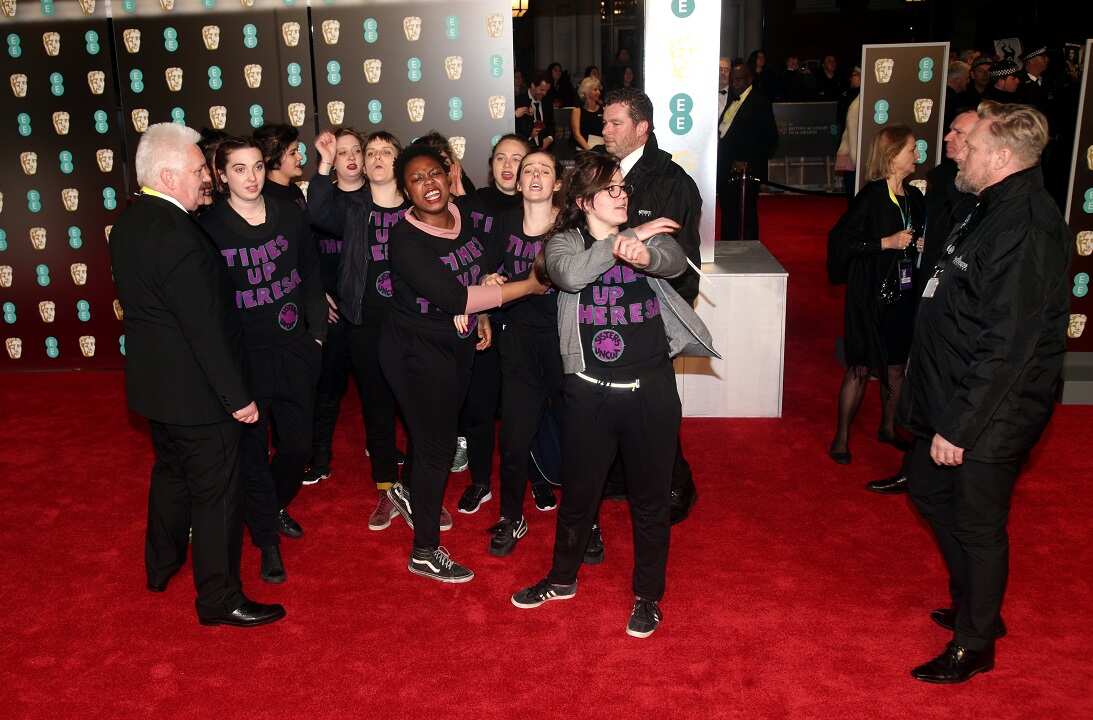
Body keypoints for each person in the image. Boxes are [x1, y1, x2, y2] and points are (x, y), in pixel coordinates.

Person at [510, 151, 717, 638]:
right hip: (589, 394)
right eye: (612, 188)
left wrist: (645, 252)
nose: (623, 195)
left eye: (624, 187)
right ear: (585, 201)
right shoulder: (565, 241)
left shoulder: (649, 234)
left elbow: (672, 261)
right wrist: (624, 241)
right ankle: (561, 579)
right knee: (580, 497)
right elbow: (569, 275)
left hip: (651, 391)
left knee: (651, 500)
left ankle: (648, 596)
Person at [904, 103, 1070, 684]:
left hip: (996, 405)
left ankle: (975, 642)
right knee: (927, 487)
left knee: (978, 522)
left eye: (971, 147)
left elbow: (1008, 344)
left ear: (1001, 156)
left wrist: (959, 427)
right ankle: (977, 601)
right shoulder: (990, 204)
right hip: (958, 389)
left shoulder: (1026, 225)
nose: (960, 154)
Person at [109, 122, 283, 627]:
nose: (205, 176)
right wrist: (237, 397)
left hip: (155, 389)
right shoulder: (179, 235)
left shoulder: (130, 220)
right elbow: (204, 329)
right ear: (167, 176)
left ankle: (160, 566)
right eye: (196, 169)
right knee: (215, 493)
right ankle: (219, 599)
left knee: (171, 475)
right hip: (198, 396)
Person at [381, 145, 549, 583]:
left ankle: (406, 492)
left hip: (455, 345)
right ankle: (424, 551)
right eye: (416, 179)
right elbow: (456, 296)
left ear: (449, 174)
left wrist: (483, 315)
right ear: (405, 190)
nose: (428, 184)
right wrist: (528, 286)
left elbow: (475, 274)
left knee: (428, 434)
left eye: (434, 174)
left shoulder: (461, 217)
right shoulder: (405, 238)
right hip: (415, 352)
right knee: (436, 447)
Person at [200, 137, 325, 584]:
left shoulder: (289, 214)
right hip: (245, 360)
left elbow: (311, 274)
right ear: (221, 175)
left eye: (256, 166)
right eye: (239, 169)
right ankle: (267, 540)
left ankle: (268, 507)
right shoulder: (208, 227)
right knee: (252, 453)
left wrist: (317, 337)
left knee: (298, 447)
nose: (251, 177)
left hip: (295, 352)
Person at [865, 110, 978, 495]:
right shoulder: (942, 178)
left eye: (958, 132)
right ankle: (915, 467)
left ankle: (948, 471)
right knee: (924, 377)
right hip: (926, 291)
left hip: (965, 300)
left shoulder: (992, 189)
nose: (947, 138)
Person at [603, 87, 702, 524]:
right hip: (605, 308)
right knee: (614, 399)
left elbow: (683, 263)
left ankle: (676, 482)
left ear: (642, 128)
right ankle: (620, 476)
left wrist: (666, 322)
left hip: (651, 313)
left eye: (615, 123)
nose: (605, 130)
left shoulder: (672, 182)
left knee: (655, 405)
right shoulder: (601, 171)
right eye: (604, 122)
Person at [479, 150, 565, 554]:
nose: (534, 176)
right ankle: (511, 517)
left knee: (578, 437)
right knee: (513, 440)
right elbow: (485, 270)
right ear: (517, 182)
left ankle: (587, 522)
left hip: (565, 344)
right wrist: (488, 277)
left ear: (557, 183)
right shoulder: (505, 223)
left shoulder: (570, 225)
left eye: (544, 170)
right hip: (517, 343)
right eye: (528, 169)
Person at [826, 126, 924, 465]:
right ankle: (841, 437)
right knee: (859, 366)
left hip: (903, 293)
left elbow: (918, 237)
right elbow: (841, 243)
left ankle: (888, 427)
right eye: (911, 149)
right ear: (893, 155)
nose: (917, 154)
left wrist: (919, 245)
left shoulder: (916, 197)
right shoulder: (871, 196)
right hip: (868, 295)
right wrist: (886, 242)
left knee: (896, 367)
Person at [302, 128, 368, 487]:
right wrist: (316, 294)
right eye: (342, 153)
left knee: (377, 387)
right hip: (332, 309)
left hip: (370, 309)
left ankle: (381, 447)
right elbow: (305, 254)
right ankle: (319, 457)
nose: (351, 158)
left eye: (356, 150)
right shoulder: (320, 198)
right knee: (327, 388)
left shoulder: (378, 196)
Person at [717, 61, 779, 240]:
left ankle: (748, 250)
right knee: (729, 213)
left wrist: (748, 162)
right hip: (727, 169)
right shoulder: (732, 99)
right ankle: (728, 248)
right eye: (732, 80)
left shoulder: (759, 102)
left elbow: (770, 138)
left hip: (745, 172)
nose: (735, 84)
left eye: (739, 79)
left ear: (749, 79)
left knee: (746, 215)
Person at [253, 123, 305, 211]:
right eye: (292, 153)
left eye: (298, 151)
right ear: (273, 159)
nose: (300, 157)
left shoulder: (295, 189)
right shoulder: (265, 199)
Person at [515, 72, 555, 150]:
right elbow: (515, 130)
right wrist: (530, 135)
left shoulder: (547, 101)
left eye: (547, 91)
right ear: (533, 85)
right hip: (525, 149)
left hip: (545, 150)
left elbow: (551, 124)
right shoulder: (518, 101)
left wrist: (550, 138)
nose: (544, 93)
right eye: (542, 89)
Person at [570, 76, 604, 151]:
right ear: (586, 92)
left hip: (601, 150)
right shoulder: (577, 111)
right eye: (595, 90)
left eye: (599, 90)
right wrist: (590, 150)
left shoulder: (603, 109)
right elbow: (576, 135)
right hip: (583, 150)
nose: (598, 92)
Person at [944, 62, 971, 130]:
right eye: (967, 78)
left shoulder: (943, 94)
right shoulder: (951, 99)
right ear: (957, 80)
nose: (968, 81)